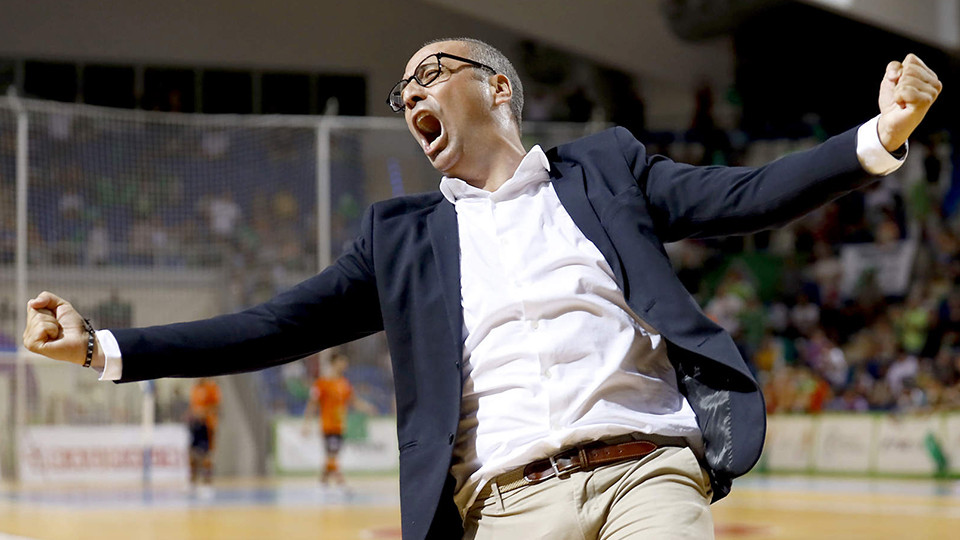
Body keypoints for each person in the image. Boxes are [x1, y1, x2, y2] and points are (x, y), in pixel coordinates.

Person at [23, 37, 940, 540]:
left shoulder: (606, 168)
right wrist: (105, 345)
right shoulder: (401, 236)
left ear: (497, 87)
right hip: (507, 503)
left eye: (429, 72)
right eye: (402, 92)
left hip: (644, 472)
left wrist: (878, 135)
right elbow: (277, 325)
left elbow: (740, 196)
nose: (410, 92)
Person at [301, 352, 372, 486]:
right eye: (342, 362)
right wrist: (306, 423)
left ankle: (323, 483)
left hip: (340, 425)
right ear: (334, 363)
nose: (345, 365)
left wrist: (367, 407)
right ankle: (340, 482)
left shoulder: (344, 383)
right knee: (332, 454)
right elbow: (312, 404)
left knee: (332, 455)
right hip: (328, 424)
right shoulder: (322, 383)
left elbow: (353, 401)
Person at [187, 377, 221, 491]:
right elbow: (193, 407)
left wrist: (203, 412)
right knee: (192, 454)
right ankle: (192, 482)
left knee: (207, 455)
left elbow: (217, 406)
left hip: (207, 424)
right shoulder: (195, 388)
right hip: (196, 425)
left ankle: (207, 484)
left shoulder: (211, 387)